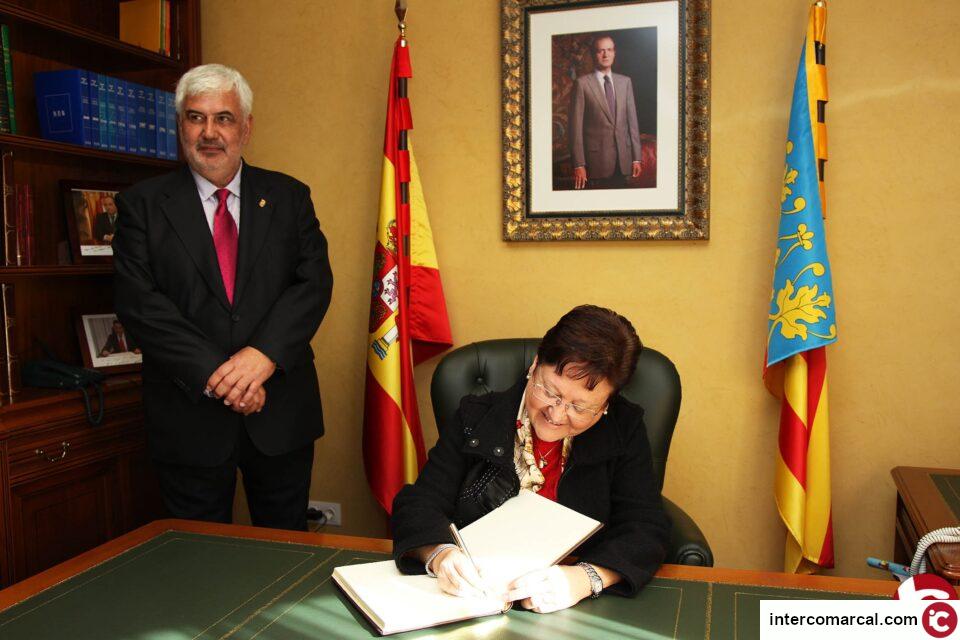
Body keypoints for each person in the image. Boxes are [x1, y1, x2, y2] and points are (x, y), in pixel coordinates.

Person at [113, 64, 333, 531]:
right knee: (196, 562)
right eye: (196, 118)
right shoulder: (143, 206)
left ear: (246, 127)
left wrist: (261, 358)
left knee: (283, 554)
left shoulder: (290, 197)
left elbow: (312, 285)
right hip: (188, 419)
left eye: (224, 119)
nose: (209, 132)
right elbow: (140, 304)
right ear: (180, 127)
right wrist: (222, 378)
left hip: (279, 413)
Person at [391, 305, 670, 614]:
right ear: (535, 365)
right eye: (550, 391)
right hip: (476, 597)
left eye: (581, 407)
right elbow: (419, 503)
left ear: (606, 404)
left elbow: (645, 526)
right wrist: (441, 554)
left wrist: (587, 577)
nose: (557, 414)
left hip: (572, 607)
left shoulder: (623, 428)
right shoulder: (476, 417)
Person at [568, 35, 643, 189]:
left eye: (609, 50)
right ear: (593, 54)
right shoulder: (582, 84)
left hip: (624, 162)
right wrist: (579, 164)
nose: (605, 54)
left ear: (614, 53)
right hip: (595, 164)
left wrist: (637, 158)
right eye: (600, 51)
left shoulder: (625, 82)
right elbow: (575, 129)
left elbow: (632, 123)